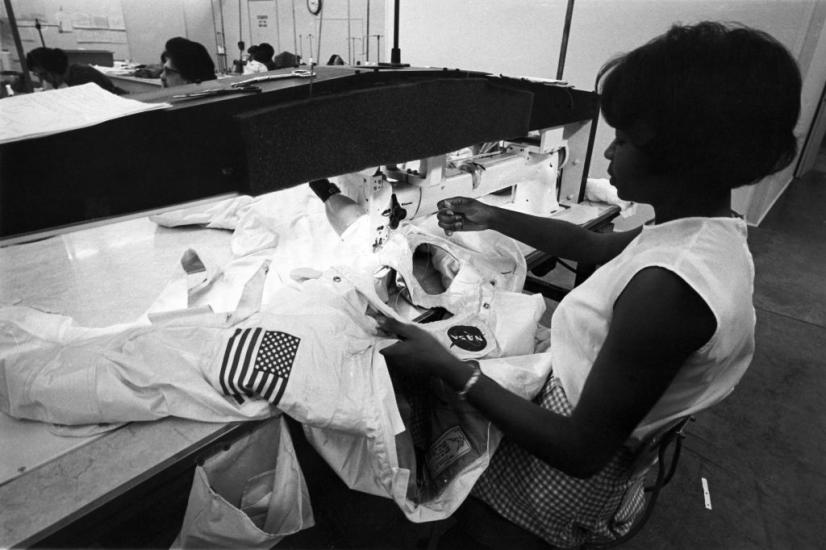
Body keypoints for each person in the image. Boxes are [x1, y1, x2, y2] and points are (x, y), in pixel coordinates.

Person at [378, 21, 802, 548]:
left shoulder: (668, 293)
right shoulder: (703, 232)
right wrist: (493, 215)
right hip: (587, 419)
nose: (605, 155)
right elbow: (597, 249)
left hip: (548, 485)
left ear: (679, 158)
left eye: (621, 141)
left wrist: (451, 369)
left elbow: (579, 452)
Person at [25, 47, 124, 94]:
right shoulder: (69, 77)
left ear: (53, 68)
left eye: (44, 75)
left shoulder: (83, 76)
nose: (44, 79)